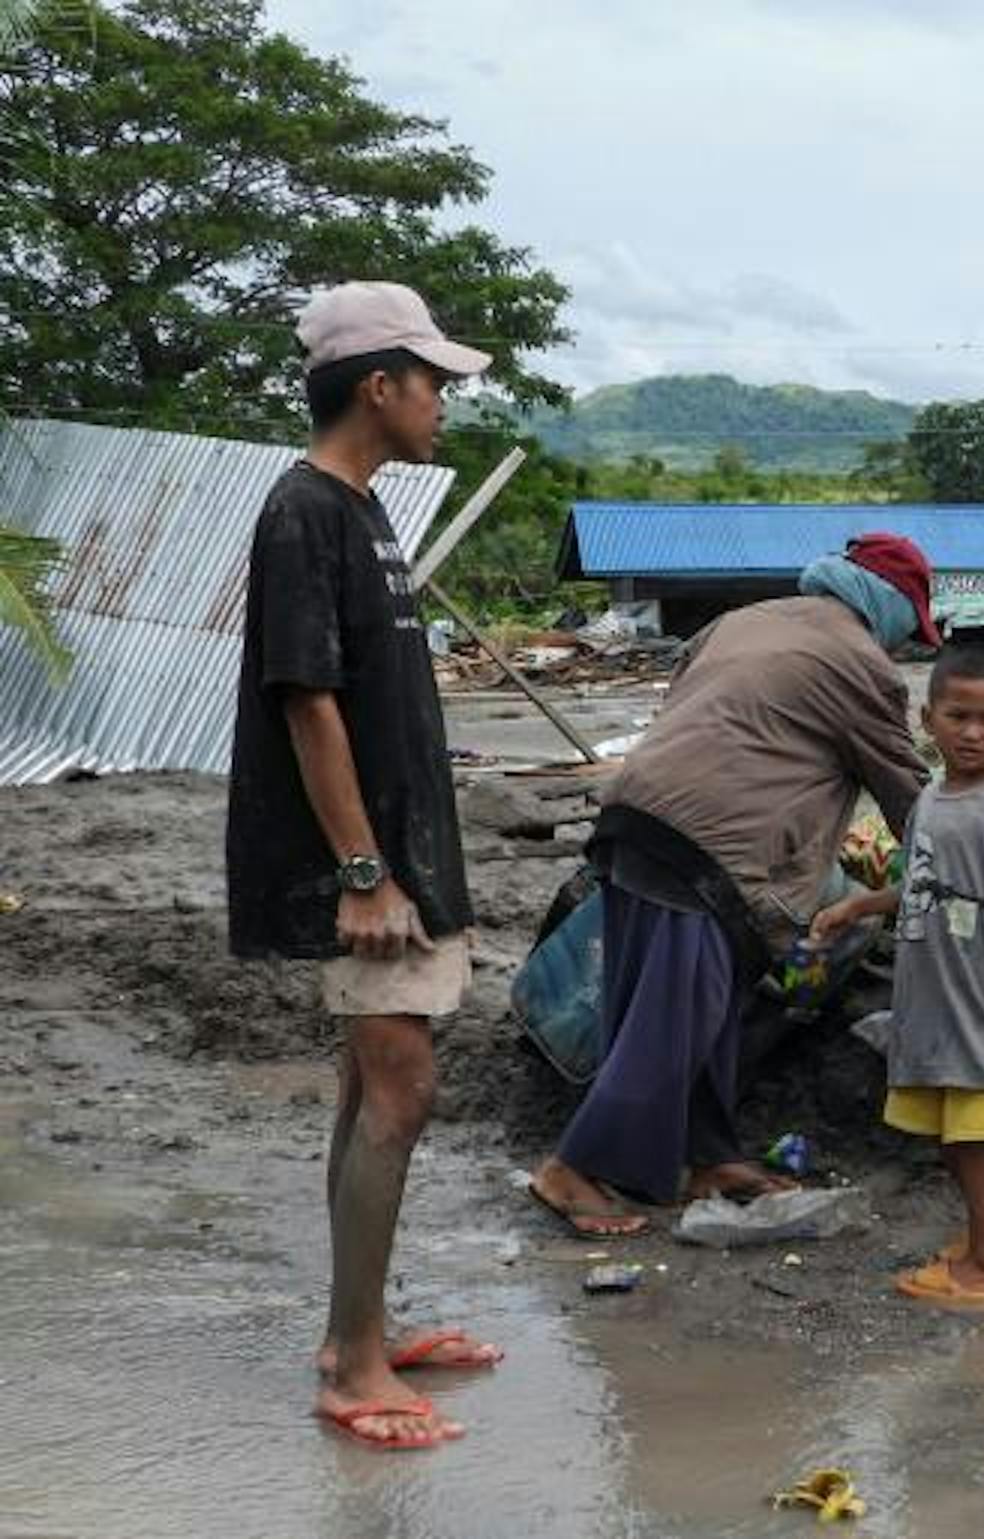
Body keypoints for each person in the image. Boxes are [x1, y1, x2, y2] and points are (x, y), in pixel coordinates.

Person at [227, 282, 495, 1450]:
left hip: (400, 852)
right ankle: (353, 1368)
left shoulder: (363, 510)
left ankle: (361, 1331)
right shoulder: (305, 512)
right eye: (432, 379)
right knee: (402, 1089)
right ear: (377, 385)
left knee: (366, 1084)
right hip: (368, 864)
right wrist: (362, 873)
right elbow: (309, 704)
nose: (444, 401)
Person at [527, 537, 938, 1233]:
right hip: (710, 843)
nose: (906, 643)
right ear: (891, 608)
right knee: (675, 1017)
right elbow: (909, 797)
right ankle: (575, 1167)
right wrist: (979, 857)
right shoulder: (863, 665)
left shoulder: (745, 619)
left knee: (703, 1006)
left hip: (635, 812)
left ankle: (705, 1153)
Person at [810, 646, 984, 1305]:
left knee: (976, 1138)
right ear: (927, 719)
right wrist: (859, 904)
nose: (973, 731)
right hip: (934, 1000)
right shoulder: (931, 797)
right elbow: (923, 883)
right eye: (958, 716)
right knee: (947, 1136)